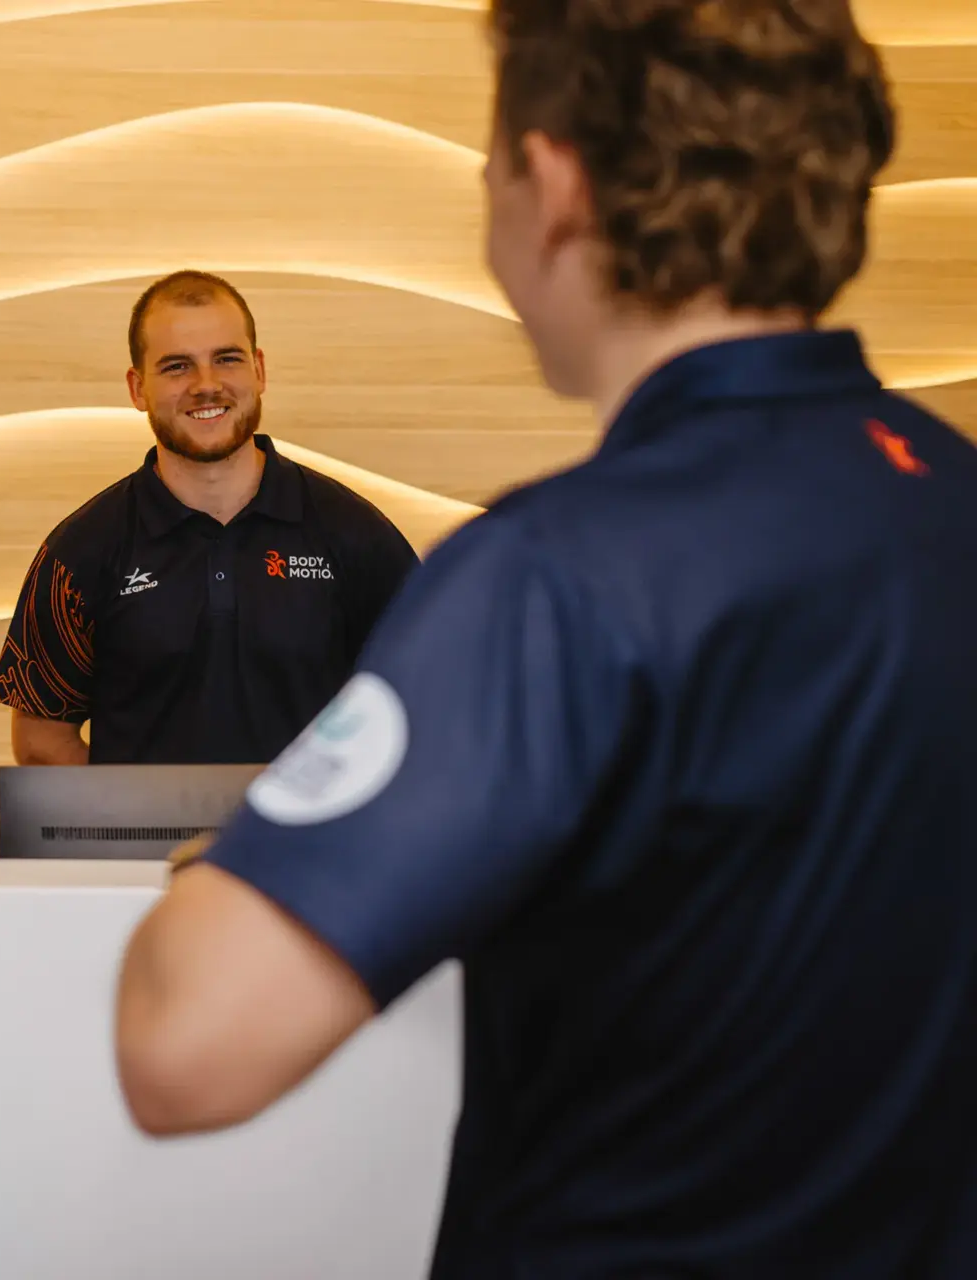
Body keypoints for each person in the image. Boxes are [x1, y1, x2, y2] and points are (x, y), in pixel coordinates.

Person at [114, 2, 977, 1277]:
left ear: (555, 181)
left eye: (490, 161)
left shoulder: (551, 577)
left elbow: (184, 1039)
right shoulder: (951, 496)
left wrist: (236, 863)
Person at [0, 270, 417, 765]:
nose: (206, 385)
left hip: (314, 844)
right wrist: (128, 833)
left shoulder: (357, 536)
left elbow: (427, 703)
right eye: (176, 367)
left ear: (259, 371)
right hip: (145, 847)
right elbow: (41, 740)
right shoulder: (80, 552)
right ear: (137, 388)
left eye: (226, 359)